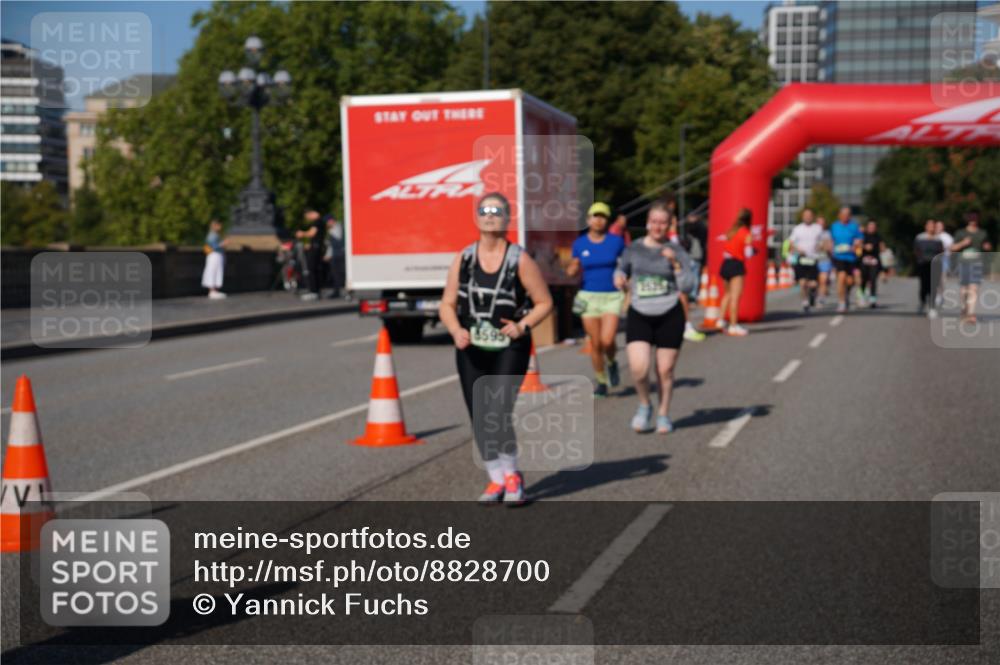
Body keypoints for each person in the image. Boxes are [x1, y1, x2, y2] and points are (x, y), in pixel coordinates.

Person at [439, 193, 553, 505]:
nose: (490, 216)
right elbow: (447, 304)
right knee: (479, 415)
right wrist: (455, 330)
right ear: (476, 218)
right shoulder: (464, 259)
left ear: (507, 219)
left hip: (509, 347)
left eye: (497, 211)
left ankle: (513, 475)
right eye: (484, 211)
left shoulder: (520, 259)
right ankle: (496, 479)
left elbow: (545, 302)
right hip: (471, 346)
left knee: (498, 412)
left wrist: (522, 326)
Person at [614, 199, 696, 434]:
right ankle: (644, 404)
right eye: (654, 222)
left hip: (670, 313)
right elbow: (621, 269)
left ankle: (663, 414)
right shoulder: (634, 248)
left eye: (663, 222)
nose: (658, 226)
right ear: (648, 223)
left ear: (669, 224)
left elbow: (689, 286)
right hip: (640, 312)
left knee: (664, 370)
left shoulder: (677, 249)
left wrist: (675, 264)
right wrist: (619, 278)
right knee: (638, 368)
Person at [566, 202, 626, 397]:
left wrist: (625, 279)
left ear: (607, 220)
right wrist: (571, 269)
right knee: (595, 342)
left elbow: (626, 265)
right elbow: (574, 266)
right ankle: (601, 381)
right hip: (588, 296)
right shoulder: (580, 243)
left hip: (611, 296)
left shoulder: (616, 241)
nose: (598, 220)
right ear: (588, 219)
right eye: (595, 216)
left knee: (608, 340)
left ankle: (612, 362)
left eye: (602, 216)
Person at [717, 208, 754, 336]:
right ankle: (733, 325)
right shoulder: (746, 233)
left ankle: (721, 320)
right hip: (737, 265)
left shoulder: (731, 231)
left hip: (725, 263)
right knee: (735, 296)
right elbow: (748, 254)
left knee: (727, 294)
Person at [951, 213, 993, 323]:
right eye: (970, 220)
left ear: (978, 220)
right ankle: (964, 309)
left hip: (977, 264)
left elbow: (987, 246)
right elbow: (953, 248)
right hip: (963, 263)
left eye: (974, 220)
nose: (973, 222)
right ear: (967, 220)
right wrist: (963, 243)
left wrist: (987, 247)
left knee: (974, 288)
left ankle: (971, 314)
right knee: (964, 290)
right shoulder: (960, 233)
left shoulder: (983, 233)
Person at [788, 208, 824, 312]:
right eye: (805, 215)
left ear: (812, 217)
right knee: (802, 282)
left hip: (813, 258)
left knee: (814, 284)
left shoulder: (817, 228)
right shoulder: (798, 229)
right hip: (801, 258)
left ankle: (812, 294)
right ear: (803, 217)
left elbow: (822, 241)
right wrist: (797, 250)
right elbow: (791, 243)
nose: (807, 217)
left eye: (809, 215)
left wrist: (820, 247)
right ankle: (805, 301)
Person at [829, 206, 863, 313]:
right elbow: (830, 240)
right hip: (839, 257)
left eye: (848, 215)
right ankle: (841, 303)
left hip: (851, 257)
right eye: (843, 214)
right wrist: (831, 249)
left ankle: (846, 294)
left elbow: (860, 239)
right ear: (839, 215)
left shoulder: (854, 226)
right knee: (841, 278)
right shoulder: (834, 226)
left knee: (850, 281)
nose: (845, 217)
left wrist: (856, 245)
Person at [914, 219, 944, 318]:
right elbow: (916, 251)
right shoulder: (920, 237)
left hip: (934, 265)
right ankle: (922, 302)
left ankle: (932, 308)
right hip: (923, 265)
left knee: (933, 287)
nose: (931, 227)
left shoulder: (938, 239)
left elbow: (941, 252)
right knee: (924, 286)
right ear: (926, 226)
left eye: (933, 225)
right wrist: (920, 261)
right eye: (929, 225)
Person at [296, 209, 326, 301]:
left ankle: (314, 292)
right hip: (317, 248)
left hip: (315, 249)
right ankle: (316, 291)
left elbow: (312, 233)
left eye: (307, 217)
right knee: (315, 270)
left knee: (311, 269)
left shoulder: (317, 222)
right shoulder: (321, 222)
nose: (308, 219)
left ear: (311, 214)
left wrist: (302, 233)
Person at [859, 220, 885, 308]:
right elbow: (858, 245)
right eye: (870, 226)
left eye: (873, 227)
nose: (872, 228)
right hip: (864, 261)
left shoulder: (878, 237)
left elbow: (882, 248)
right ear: (867, 227)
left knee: (873, 280)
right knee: (864, 279)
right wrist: (864, 246)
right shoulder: (863, 235)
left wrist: (881, 248)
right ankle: (862, 296)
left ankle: (872, 300)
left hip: (874, 261)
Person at [201, 219, 228, 300]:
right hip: (214, 255)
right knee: (213, 271)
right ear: (214, 226)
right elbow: (213, 246)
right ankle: (212, 291)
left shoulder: (215, 234)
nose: (220, 227)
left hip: (216, 255)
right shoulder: (212, 235)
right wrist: (223, 243)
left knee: (216, 271)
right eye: (219, 225)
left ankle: (214, 290)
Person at [934, 220, 954, 309]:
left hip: (944, 259)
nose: (939, 227)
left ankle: (939, 295)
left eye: (940, 226)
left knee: (941, 279)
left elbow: (951, 248)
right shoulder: (932, 235)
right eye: (937, 226)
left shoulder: (947, 237)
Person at [324, 215, 345, 298]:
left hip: (339, 254)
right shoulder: (338, 227)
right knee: (336, 274)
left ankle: (337, 291)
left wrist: (328, 254)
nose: (327, 224)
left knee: (337, 274)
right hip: (336, 254)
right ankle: (337, 290)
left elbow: (334, 243)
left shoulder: (336, 228)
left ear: (331, 221)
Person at [816, 216, 833, 306]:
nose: (821, 225)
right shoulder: (812, 232)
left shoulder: (827, 234)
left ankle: (821, 298)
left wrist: (825, 246)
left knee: (823, 279)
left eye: (822, 223)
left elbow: (829, 247)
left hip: (824, 259)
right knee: (814, 282)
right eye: (819, 223)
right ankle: (813, 294)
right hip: (813, 260)